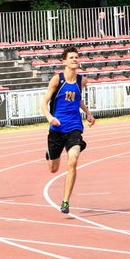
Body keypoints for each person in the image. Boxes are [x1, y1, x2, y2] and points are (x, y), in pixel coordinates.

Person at [41, 47, 95, 214]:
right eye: (71, 57)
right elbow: (44, 103)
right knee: (53, 169)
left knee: (73, 160)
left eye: (76, 57)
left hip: (74, 127)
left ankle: (65, 201)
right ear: (64, 61)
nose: (74, 60)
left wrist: (88, 113)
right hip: (57, 128)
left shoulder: (81, 81)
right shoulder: (57, 80)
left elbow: (77, 100)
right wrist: (50, 118)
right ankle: (50, 154)